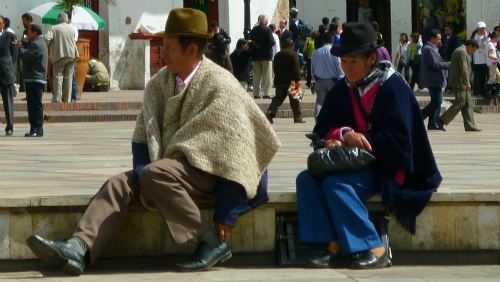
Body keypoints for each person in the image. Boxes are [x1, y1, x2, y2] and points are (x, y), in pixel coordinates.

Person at [26, 8, 280, 276]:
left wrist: (226, 213)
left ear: (192, 49)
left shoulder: (221, 85)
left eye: (169, 47)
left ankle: (211, 241)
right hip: (169, 170)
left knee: (156, 173)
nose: (163, 52)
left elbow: (238, 154)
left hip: (213, 174)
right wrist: (141, 177)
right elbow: (142, 136)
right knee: (118, 185)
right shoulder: (160, 83)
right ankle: (78, 248)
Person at [296, 22, 441, 269]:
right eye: (343, 62)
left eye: (352, 61)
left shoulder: (393, 88)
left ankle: (372, 245)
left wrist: (364, 140)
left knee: (336, 184)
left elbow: (401, 144)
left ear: (371, 58)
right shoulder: (344, 88)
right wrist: (339, 135)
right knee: (306, 179)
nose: (346, 67)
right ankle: (331, 243)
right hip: (352, 161)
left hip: (388, 165)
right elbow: (322, 127)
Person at [439, 40, 481, 132]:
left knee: (468, 104)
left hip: (462, 82)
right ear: (469, 45)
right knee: (460, 103)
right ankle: (441, 120)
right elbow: (464, 69)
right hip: (460, 83)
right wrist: (467, 83)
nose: (473, 52)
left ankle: (470, 125)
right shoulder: (462, 51)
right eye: (473, 50)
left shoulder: (462, 51)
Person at [17, 24, 48, 137]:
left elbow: (26, 57)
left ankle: (37, 129)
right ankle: (34, 129)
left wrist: (20, 48)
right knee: (32, 104)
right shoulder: (37, 42)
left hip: (35, 78)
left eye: (29, 32)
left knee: (35, 105)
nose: (27, 34)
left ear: (35, 33)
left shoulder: (37, 44)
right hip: (33, 78)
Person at [266, 39, 304, 124]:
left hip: (279, 80)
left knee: (277, 100)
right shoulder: (293, 54)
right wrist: (298, 79)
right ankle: (298, 118)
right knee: (295, 101)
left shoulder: (277, 55)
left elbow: (275, 69)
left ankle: (269, 115)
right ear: (292, 45)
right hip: (292, 81)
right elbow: (296, 69)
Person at [45, 12, 79, 103]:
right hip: (72, 55)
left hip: (59, 55)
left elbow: (47, 40)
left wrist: (50, 45)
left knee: (58, 76)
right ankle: (67, 100)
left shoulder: (53, 28)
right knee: (69, 77)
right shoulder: (72, 28)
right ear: (67, 19)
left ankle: (57, 99)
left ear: (58, 19)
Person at [420, 29, 449, 131]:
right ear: (432, 38)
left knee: (436, 101)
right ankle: (419, 117)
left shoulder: (433, 48)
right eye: (438, 39)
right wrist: (449, 64)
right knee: (437, 101)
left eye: (440, 38)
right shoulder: (428, 49)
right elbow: (435, 64)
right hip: (433, 80)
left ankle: (432, 123)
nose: (440, 40)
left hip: (435, 80)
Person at [311, 32, 344, 118]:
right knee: (334, 102)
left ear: (322, 41)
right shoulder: (335, 52)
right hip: (333, 81)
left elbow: (312, 68)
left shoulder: (316, 52)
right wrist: (341, 79)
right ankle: (332, 121)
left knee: (320, 102)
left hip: (319, 80)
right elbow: (339, 67)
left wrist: (313, 81)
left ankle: (318, 121)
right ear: (332, 40)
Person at [249, 15, 275, 99]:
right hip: (266, 56)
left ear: (259, 21)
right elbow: (272, 42)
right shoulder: (267, 30)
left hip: (256, 56)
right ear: (266, 22)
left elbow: (250, 41)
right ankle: (266, 93)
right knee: (267, 76)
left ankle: (256, 93)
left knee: (256, 76)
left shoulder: (254, 30)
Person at [0, 15, 17, 136]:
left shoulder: (10, 36)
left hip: (5, 72)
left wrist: (10, 69)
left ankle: (9, 126)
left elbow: (14, 56)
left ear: (3, 23)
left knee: (8, 102)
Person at [472, 21, 490, 97]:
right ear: (477, 29)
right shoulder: (474, 36)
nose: (482, 30)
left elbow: (489, 46)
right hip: (476, 61)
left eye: (483, 28)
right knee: (477, 78)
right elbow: (476, 46)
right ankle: (476, 92)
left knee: (485, 77)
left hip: (486, 61)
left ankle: (484, 93)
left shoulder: (488, 36)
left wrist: (487, 37)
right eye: (481, 28)